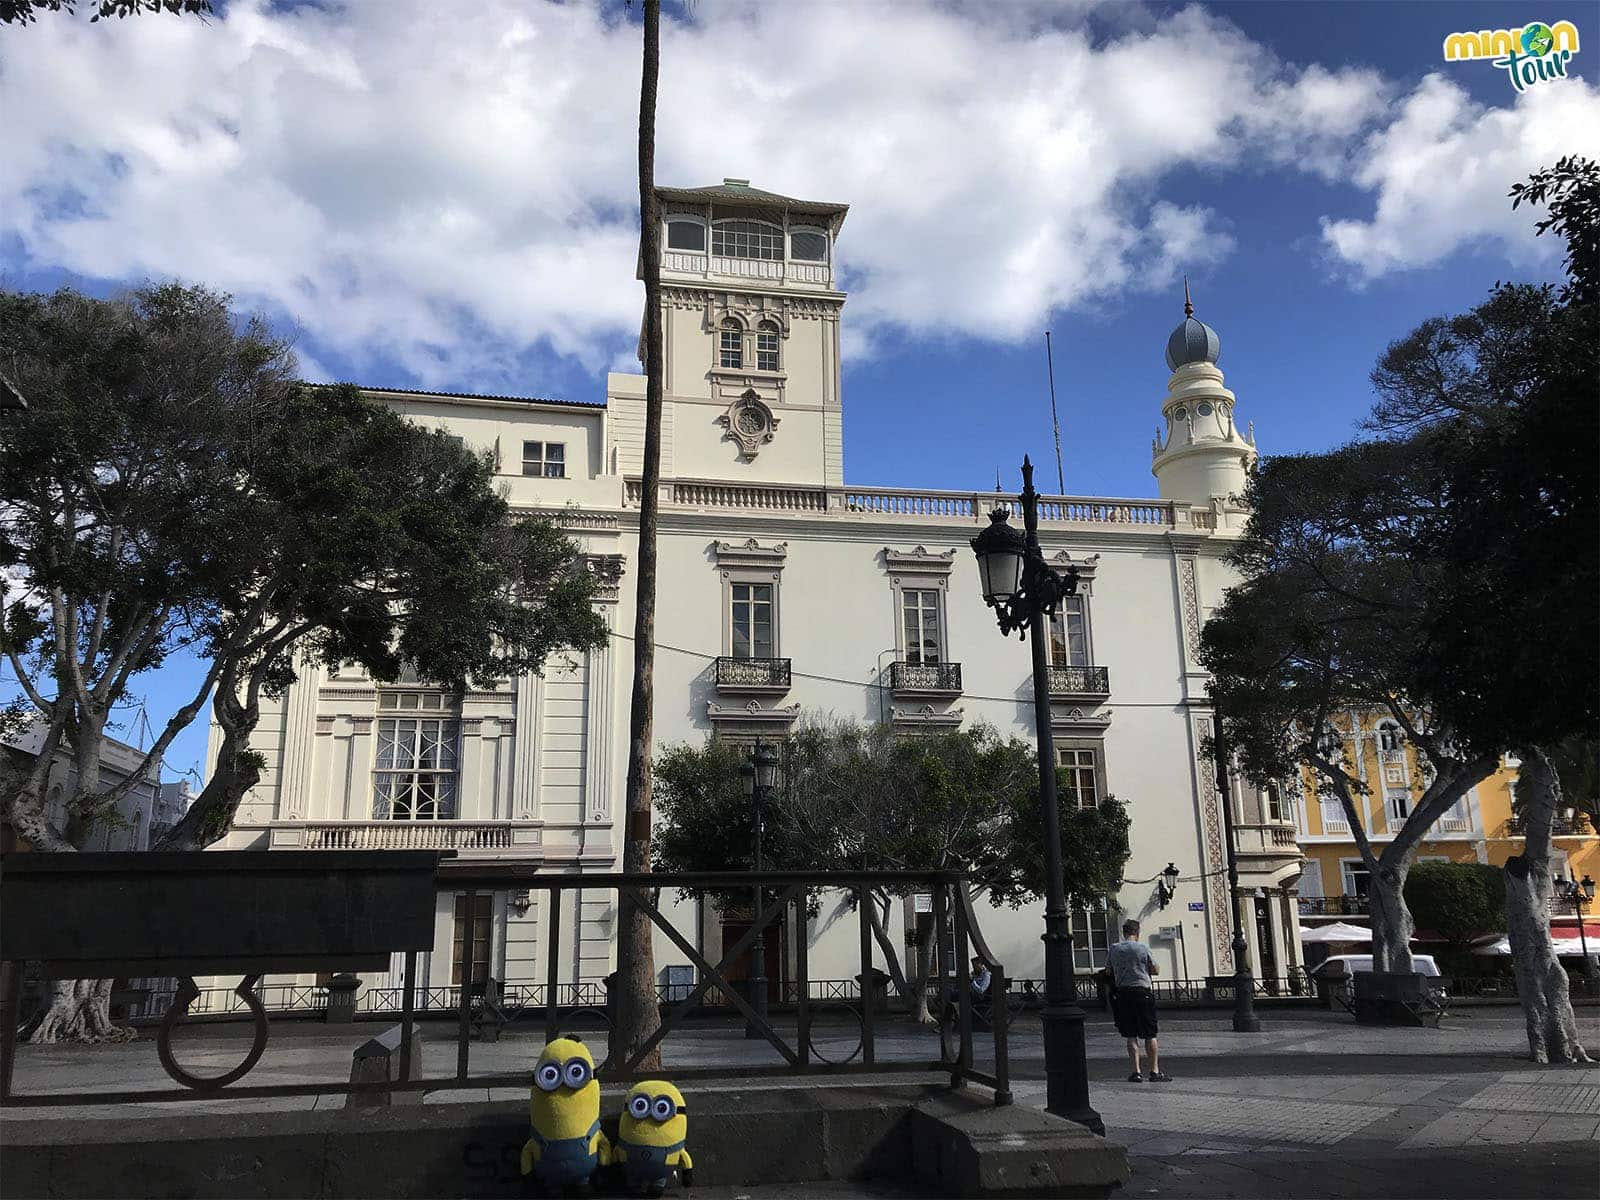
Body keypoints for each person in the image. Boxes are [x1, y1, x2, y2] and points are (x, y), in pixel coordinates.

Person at [1106, 918, 1168, 1082]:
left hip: (1123, 994)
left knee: (1130, 1034)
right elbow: (1155, 969)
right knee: (1150, 1033)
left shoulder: (1114, 948)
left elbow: (1108, 970)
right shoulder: (1142, 948)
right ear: (1137, 933)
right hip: (1142, 992)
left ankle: (1136, 1072)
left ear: (1124, 932)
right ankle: (1154, 1071)